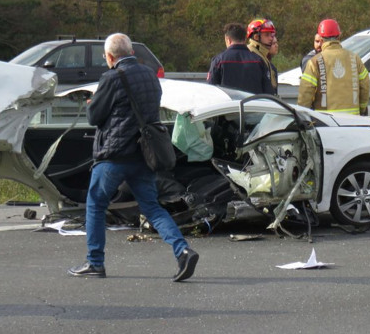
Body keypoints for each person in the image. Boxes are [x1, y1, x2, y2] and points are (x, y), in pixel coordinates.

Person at [68, 33, 199, 281]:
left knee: (96, 203)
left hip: (115, 155)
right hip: (144, 155)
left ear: (109, 56)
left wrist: (91, 103)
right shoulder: (150, 74)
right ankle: (182, 250)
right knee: (151, 207)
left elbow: (95, 117)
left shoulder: (111, 77)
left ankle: (95, 262)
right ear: (131, 52)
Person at [298, 18, 370, 115]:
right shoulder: (354, 58)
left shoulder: (315, 62)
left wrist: (303, 116)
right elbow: (365, 84)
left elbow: (305, 94)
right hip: (353, 121)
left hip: (326, 122)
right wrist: (362, 108)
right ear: (339, 37)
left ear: (321, 40)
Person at [207, 22, 274, 94]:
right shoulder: (259, 61)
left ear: (228, 39)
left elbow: (211, 89)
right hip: (253, 104)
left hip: (229, 104)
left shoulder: (219, 61)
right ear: (245, 39)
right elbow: (268, 91)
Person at [246, 17, 278, 95]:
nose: (271, 38)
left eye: (271, 34)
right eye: (267, 35)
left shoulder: (261, 54)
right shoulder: (252, 55)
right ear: (256, 37)